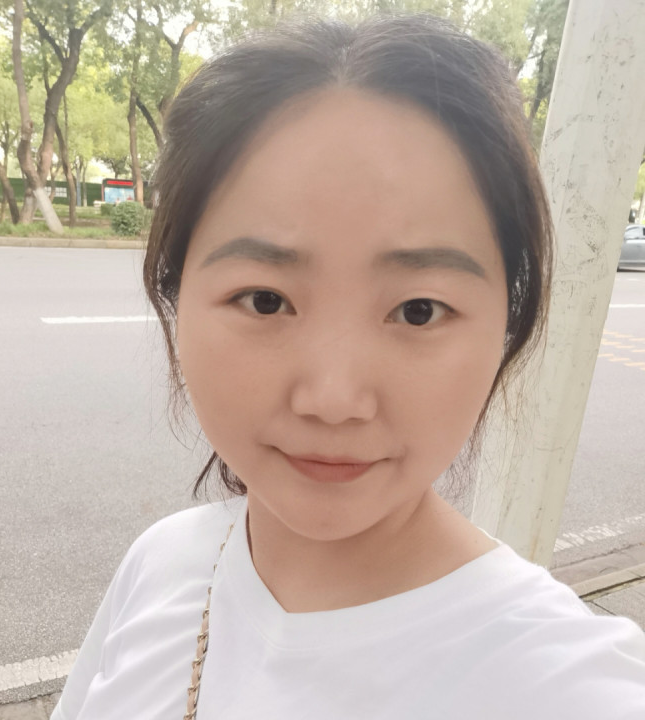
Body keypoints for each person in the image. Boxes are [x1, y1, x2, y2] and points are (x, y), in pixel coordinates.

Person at [51, 14, 645, 720]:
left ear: (506, 325)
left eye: (419, 310)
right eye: (265, 300)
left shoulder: (572, 688)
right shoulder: (163, 565)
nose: (333, 399)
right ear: (176, 295)